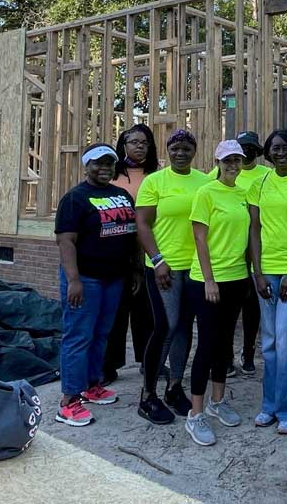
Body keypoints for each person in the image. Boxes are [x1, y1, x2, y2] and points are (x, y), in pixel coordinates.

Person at [54, 143, 140, 427]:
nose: (104, 169)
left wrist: (136, 269)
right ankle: (69, 400)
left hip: (114, 277)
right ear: (86, 166)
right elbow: (66, 240)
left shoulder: (121, 194)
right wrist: (74, 280)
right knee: (78, 336)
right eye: (98, 164)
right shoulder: (75, 198)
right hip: (86, 279)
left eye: (109, 164)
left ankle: (92, 385)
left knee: (101, 334)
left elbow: (131, 235)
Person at [134, 128, 208, 424]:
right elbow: (142, 224)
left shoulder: (205, 181)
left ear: (195, 150)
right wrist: (158, 259)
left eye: (186, 148)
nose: (180, 153)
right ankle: (147, 396)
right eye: (175, 148)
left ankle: (174, 387)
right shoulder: (155, 181)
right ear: (167, 150)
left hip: (193, 267)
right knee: (165, 326)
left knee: (184, 329)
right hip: (163, 267)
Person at [184, 140, 252, 446]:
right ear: (217, 162)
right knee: (208, 345)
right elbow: (200, 238)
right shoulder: (206, 192)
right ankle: (194, 414)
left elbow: (248, 237)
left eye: (237, 160)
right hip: (207, 281)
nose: (233, 166)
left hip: (237, 277)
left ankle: (217, 400)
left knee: (224, 344)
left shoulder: (243, 194)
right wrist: (209, 279)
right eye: (228, 161)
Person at [248, 129, 287, 434]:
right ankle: (270, 405)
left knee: (286, 338)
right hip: (265, 271)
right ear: (268, 152)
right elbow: (255, 230)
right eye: (275, 148)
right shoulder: (259, 183)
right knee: (270, 340)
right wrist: (257, 272)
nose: (281, 152)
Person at [102, 124, 158, 385]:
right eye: (134, 142)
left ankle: (149, 362)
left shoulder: (156, 176)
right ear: (123, 145)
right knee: (116, 312)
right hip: (118, 253)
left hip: (150, 253)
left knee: (148, 313)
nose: (139, 146)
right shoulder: (112, 176)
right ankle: (110, 365)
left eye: (144, 142)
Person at [210, 130, 268, 375]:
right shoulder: (217, 175)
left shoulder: (266, 175)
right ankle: (226, 356)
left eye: (251, 149)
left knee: (252, 310)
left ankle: (248, 352)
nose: (247, 153)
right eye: (245, 148)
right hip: (229, 254)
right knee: (229, 313)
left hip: (255, 250)